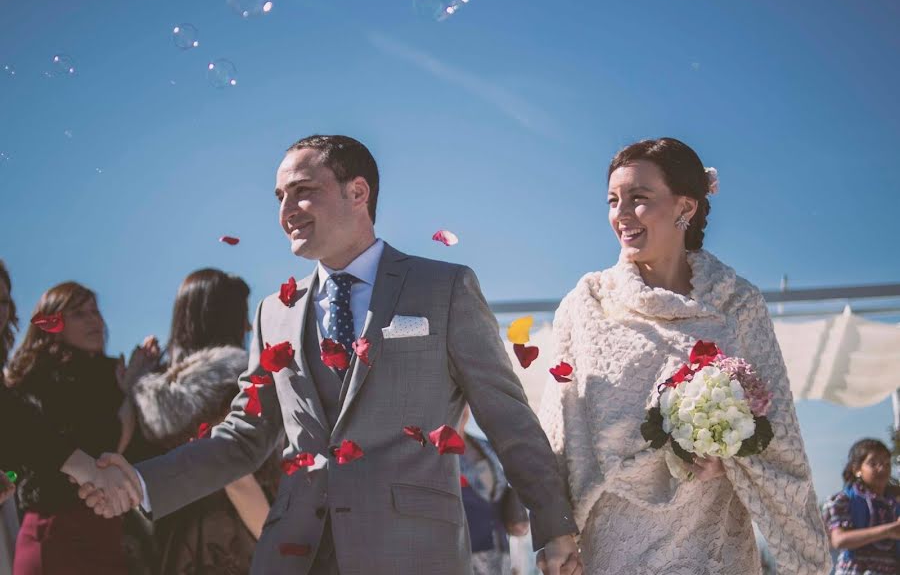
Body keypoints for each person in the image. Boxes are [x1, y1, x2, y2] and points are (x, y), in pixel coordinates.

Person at [79, 134, 582, 575]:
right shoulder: (273, 311)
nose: (285, 212)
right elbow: (245, 436)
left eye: (303, 191)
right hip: (295, 552)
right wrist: (142, 482)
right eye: (280, 197)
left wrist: (555, 526)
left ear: (357, 192)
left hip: (412, 551)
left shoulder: (444, 288)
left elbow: (507, 417)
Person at [539, 138, 832, 574]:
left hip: (710, 539)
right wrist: (553, 531)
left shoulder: (738, 305)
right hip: (614, 540)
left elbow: (778, 435)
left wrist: (731, 452)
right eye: (613, 200)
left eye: (639, 199)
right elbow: (558, 431)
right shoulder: (587, 304)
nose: (621, 214)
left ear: (685, 208)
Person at [130, 268, 282, 574]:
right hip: (237, 540)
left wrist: (135, 379)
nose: (248, 325)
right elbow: (237, 480)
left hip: (172, 547)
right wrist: (281, 551)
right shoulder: (235, 383)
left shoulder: (151, 396)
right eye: (241, 314)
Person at [4, 281, 150, 574]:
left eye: (95, 311)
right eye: (79, 313)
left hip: (108, 533)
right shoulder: (41, 381)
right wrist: (130, 391)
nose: (94, 320)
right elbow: (100, 451)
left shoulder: (106, 375)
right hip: (58, 533)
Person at [458, 405, 530, 575]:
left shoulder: (486, 445)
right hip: (463, 558)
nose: (460, 411)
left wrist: (516, 519)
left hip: (500, 555)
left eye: (463, 404)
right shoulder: (435, 453)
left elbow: (503, 491)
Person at [822, 438, 900, 575]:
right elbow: (839, 540)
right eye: (873, 463)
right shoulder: (844, 500)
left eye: (886, 463)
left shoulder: (894, 503)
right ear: (857, 469)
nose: (881, 468)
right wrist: (888, 531)